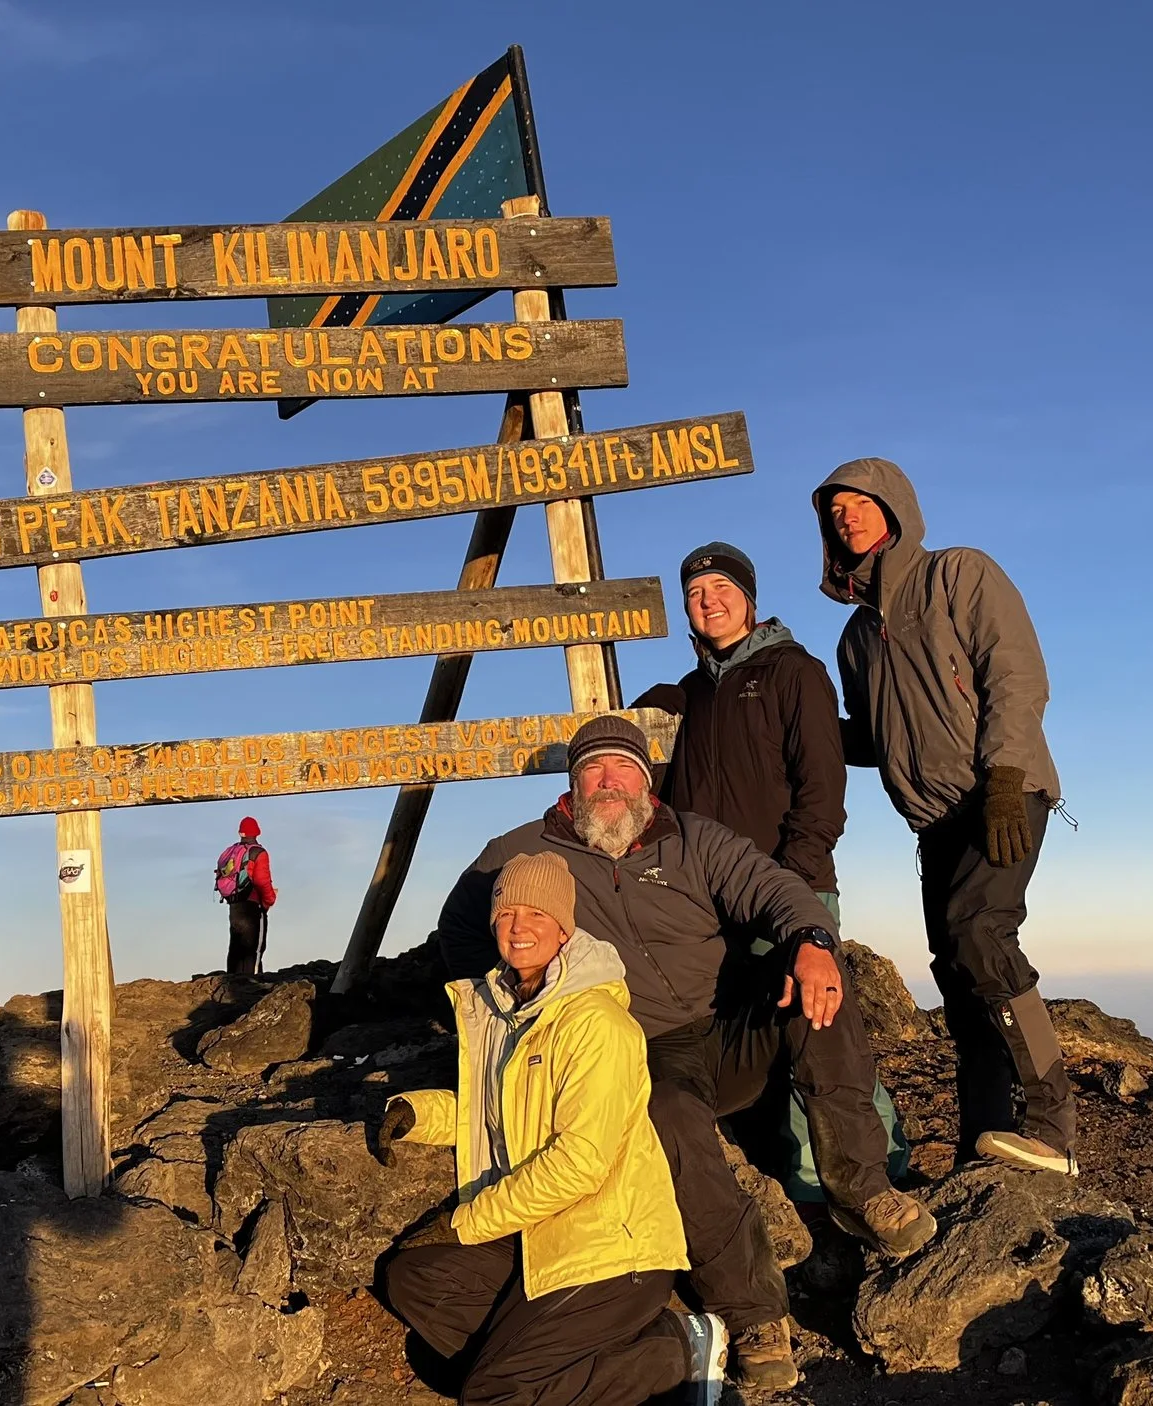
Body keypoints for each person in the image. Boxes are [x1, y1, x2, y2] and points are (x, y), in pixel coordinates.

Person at [429, 714, 857, 1391]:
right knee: (668, 1117)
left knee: (821, 982)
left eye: (622, 768)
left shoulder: (693, 837)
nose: (609, 782)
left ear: (646, 781)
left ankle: (863, 1185)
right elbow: (459, 924)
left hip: (727, 1023)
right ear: (573, 787)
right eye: (592, 770)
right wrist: (510, 996)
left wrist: (813, 940)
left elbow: (772, 886)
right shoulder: (525, 850)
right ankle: (752, 1313)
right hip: (650, 1047)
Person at [631, 543, 928, 1256]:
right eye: (695, 592)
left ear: (749, 597)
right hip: (710, 903)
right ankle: (804, 1179)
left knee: (819, 1022)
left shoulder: (794, 671)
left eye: (720, 588)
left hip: (789, 887)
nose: (708, 601)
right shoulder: (691, 695)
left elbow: (822, 789)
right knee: (762, 1034)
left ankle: (871, 1176)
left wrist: (790, 882)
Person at [375, 852, 726, 1406]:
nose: (519, 927)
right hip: (537, 1231)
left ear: (564, 927)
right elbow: (495, 1111)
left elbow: (579, 1164)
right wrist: (417, 1114)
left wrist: (465, 1222)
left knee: (492, 1393)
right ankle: (577, 1360)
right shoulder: (503, 1008)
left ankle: (672, 1351)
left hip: (609, 1246)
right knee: (412, 1277)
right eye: (506, 913)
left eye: (536, 914)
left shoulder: (596, 1022)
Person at [813, 457, 1078, 1176]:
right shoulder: (855, 638)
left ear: (894, 507)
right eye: (834, 511)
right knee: (959, 978)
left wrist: (1006, 778)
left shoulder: (957, 573)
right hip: (934, 821)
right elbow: (873, 738)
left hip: (1000, 793)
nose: (847, 516)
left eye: (859, 502)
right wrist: (800, 731)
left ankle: (1052, 1125)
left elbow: (1016, 674)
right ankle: (984, 1140)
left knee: (981, 935)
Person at [216, 816, 277, 975]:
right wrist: (269, 901)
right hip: (253, 906)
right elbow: (262, 882)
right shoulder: (258, 853)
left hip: (234, 904)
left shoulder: (230, 852)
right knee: (254, 949)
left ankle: (232, 981)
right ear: (257, 832)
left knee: (236, 947)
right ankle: (252, 981)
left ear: (240, 832)